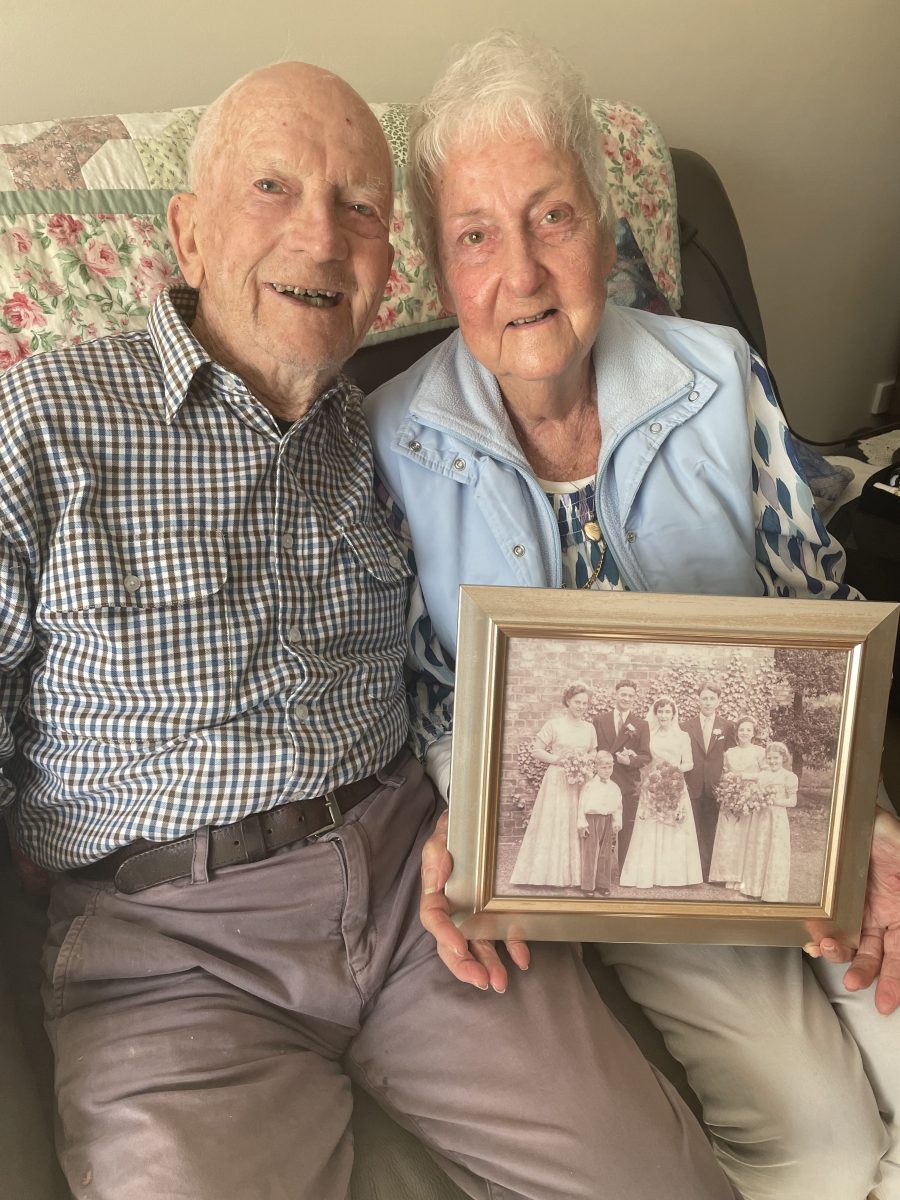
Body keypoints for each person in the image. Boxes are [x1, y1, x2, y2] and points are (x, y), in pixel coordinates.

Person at [0, 62, 737, 1200]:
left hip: (418, 897)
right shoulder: (43, 426)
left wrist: (475, 820)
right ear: (187, 238)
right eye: (272, 189)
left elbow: (473, 672)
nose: (322, 237)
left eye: (359, 209)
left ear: (391, 269)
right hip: (166, 952)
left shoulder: (398, 438)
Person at [365, 30, 900, 1200]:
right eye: (475, 235)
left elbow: (818, 605)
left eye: (551, 216)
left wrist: (866, 815)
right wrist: (473, 803)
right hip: (628, 849)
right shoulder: (391, 445)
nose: (521, 270)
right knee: (823, 1143)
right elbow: (417, 692)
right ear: (439, 268)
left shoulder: (718, 375)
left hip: (801, 797)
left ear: (606, 230)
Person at [510, 681, 596, 887]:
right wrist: (559, 759)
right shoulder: (554, 724)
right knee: (555, 822)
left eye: (585, 703)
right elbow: (536, 750)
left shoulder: (589, 728)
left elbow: (593, 751)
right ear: (568, 701)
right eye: (577, 702)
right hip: (557, 780)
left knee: (576, 821)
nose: (581, 706)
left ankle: (575, 876)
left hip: (580, 781)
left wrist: (583, 760)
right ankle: (547, 875)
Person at [620, 697, 702, 888]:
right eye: (661, 711)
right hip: (653, 783)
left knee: (674, 826)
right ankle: (650, 873)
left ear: (673, 714)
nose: (664, 715)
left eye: (667, 712)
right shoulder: (650, 735)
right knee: (651, 826)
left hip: (674, 782)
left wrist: (672, 772)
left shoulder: (683, 736)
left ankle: (674, 876)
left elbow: (689, 763)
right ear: (655, 714)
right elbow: (645, 758)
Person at [593, 678, 651, 866]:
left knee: (626, 827)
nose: (626, 698)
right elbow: (593, 749)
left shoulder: (641, 725)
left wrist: (630, 760)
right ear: (616, 694)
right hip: (603, 781)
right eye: (623, 694)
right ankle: (599, 868)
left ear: (635, 698)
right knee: (601, 824)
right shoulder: (600, 720)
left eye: (630, 696)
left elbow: (646, 756)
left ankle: (625, 869)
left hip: (627, 782)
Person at [683, 679, 736, 877]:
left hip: (716, 786)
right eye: (704, 698)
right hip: (692, 784)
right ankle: (694, 870)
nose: (707, 702)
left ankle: (710, 872)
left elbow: (732, 756)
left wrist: (728, 783)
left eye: (711, 699)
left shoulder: (727, 727)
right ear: (698, 700)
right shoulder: (686, 726)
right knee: (693, 828)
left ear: (718, 701)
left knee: (712, 828)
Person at [709, 716, 767, 888]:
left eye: (748, 730)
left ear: (754, 732)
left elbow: (765, 775)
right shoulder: (729, 753)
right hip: (731, 797)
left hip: (750, 798)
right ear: (737, 732)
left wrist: (744, 777)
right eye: (742, 730)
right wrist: (730, 784)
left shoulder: (760, 752)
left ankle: (745, 877)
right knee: (729, 836)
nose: (744, 733)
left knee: (747, 836)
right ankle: (729, 876)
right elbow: (724, 774)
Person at [741, 740, 798, 901]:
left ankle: (773, 892)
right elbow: (747, 776)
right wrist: (734, 775)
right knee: (759, 849)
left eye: (776, 758)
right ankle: (754, 888)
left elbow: (793, 802)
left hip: (777, 819)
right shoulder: (763, 775)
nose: (772, 761)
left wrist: (774, 801)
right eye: (770, 758)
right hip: (760, 818)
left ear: (783, 758)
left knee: (775, 851)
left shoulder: (789, 777)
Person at [577, 750, 622, 895]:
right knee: (590, 853)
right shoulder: (589, 785)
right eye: (603, 767)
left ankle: (603, 885)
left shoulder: (614, 787)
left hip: (607, 819)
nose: (607, 771)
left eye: (610, 767)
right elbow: (581, 805)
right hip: (592, 819)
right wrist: (582, 824)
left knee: (605, 853)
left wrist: (616, 821)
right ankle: (588, 886)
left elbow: (617, 806)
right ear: (596, 767)